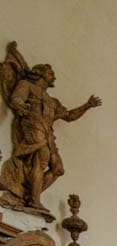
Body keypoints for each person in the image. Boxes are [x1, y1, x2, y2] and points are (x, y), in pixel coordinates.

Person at [0, 43, 101, 213]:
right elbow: (16, 98)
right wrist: (20, 106)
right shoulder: (27, 85)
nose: (53, 75)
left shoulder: (52, 101)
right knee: (41, 160)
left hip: (48, 134)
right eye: (50, 72)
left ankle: (31, 194)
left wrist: (87, 106)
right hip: (33, 127)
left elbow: (69, 115)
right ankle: (34, 201)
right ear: (39, 73)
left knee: (58, 169)